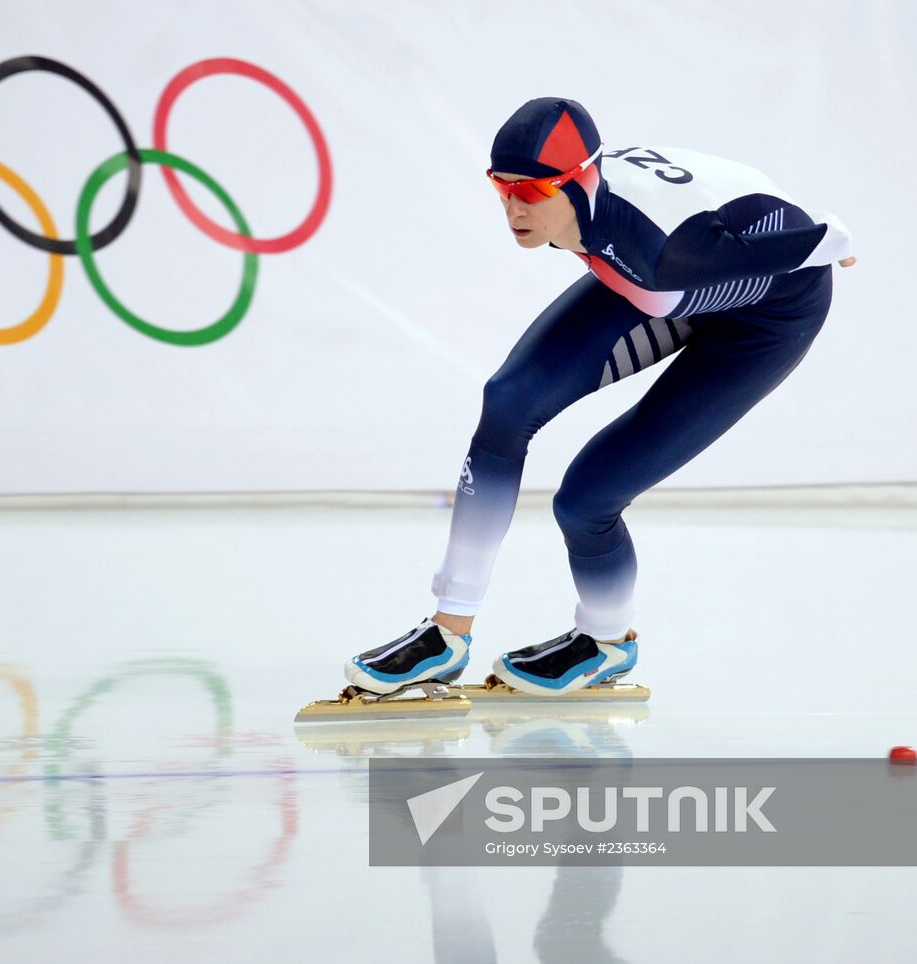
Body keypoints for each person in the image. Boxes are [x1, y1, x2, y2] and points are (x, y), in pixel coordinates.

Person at [345, 97, 855, 698]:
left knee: (587, 499)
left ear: (580, 180)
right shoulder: (595, 212)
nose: (513, 208)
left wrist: (832, 235)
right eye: (502, 188)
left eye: (532, 192)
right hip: (667, 278)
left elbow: (811, 238)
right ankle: (447, 634)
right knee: (508, 401)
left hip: (763, 318)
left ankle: (607, 641)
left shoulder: (660, 252)